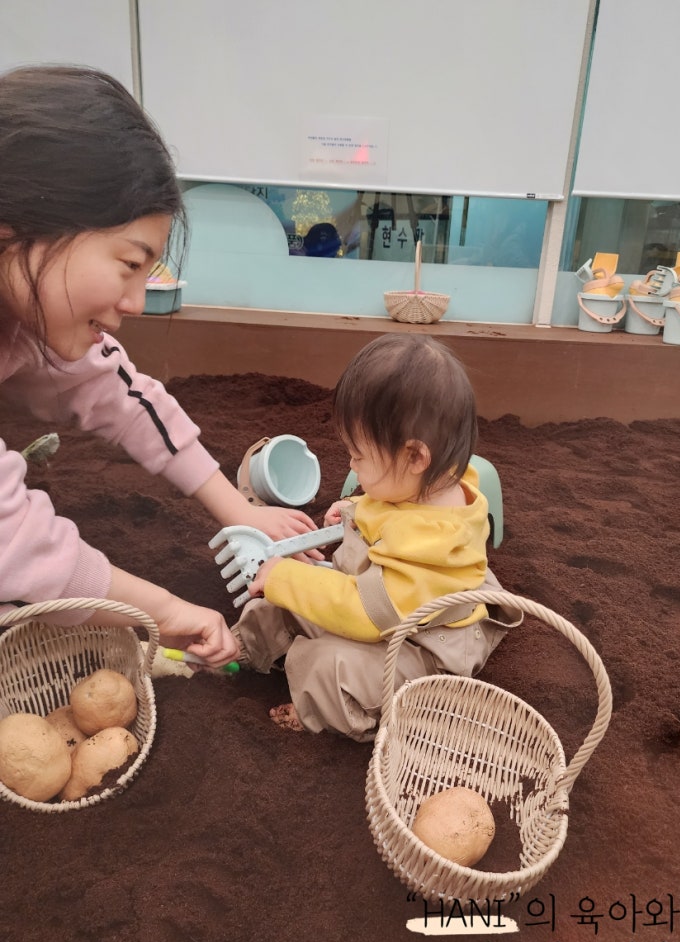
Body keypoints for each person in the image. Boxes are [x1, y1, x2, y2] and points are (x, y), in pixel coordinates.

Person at [0, 64, 317, 667]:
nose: (136, 302)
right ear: (21, 223)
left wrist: (239, 511)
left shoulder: (26, 312)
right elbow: (12, 540)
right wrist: (161, 612)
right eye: (128, 263)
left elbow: (122, 394)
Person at [233, 332, 522, 740]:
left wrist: (285, 577)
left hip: (421, 646)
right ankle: (241, 649)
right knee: (279, 606)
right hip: (386, 606)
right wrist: (355, 510)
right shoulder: (432, 479)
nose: (350, 463)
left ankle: (321, 712)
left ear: (415, 456)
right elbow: (393, 505)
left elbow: (367, 613)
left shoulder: (433, 542)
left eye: (359, 456)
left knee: (328, 663)